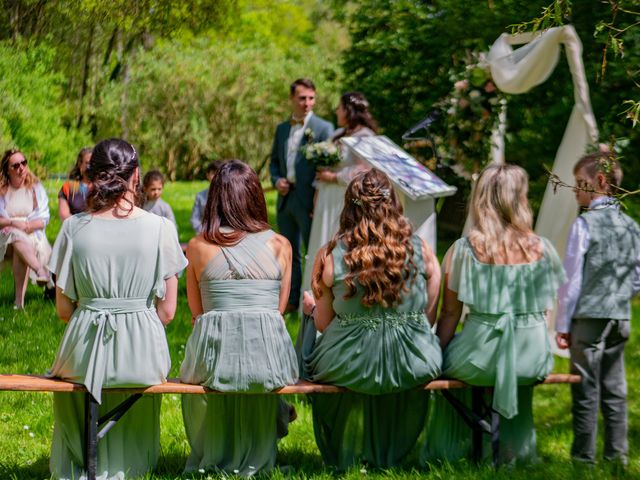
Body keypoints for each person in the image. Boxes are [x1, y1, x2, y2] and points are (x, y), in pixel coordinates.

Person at [47, 138, 187, 479]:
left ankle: (83, 463)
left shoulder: (73, 228)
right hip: (143, 352)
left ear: (91, 176)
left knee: (74, 380)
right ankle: (128, 467)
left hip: (84, 345)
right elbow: (167, 312)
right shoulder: (161, 228)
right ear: (136, 176)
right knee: (133, 381)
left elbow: (64, 310)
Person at [422, 163, 565, 464]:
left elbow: (449, 315)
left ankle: (461, 448)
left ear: (481, 199)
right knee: (502, 363)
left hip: (480, 356)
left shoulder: (463, 250)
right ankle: (509, 450)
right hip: (533, 356)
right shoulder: (545, 249)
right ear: (521, 199)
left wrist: (436, 354)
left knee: (457, 360)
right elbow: (549, 310)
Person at [301, 169, 442, 469]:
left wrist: (311, 310)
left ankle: (346, 448)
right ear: (393, 203)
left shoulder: (331, 254)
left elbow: (324, 324)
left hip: (349, 362)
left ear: (349, 207)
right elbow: (430, 308)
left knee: (312, 338)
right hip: (414, 359)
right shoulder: (421, 249)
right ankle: (388, 449)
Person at [180, 160, 298, 476]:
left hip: (215, 359)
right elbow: (278, 311)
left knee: (222, 353)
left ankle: (219, 449)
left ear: (215, 198)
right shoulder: (281, 245)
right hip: (269, 359)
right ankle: (262, 443)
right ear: (255, 196)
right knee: (258, 346)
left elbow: (197, 313)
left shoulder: (197, 246)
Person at [555, 151, 640, 466]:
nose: (576, 190)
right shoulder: (631, 225)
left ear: (600, 182)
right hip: (620, 315)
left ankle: (583, 459)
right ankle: (617, 458)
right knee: (615, 389)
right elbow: (637, 276)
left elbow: (572, 280)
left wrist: (563, 324)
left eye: (580, 183)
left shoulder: (585, 224)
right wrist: (617, 297)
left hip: (588, 317)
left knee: (585, 389)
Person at [301, 91, 378, 297]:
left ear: (349, 110)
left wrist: (334, 177)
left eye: (340, 107)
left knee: (340, 239)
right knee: (321, 240)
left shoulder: (365, 137)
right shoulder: (338, 134)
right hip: (327, 197)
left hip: (345, 198)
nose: (336, 110)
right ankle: (314, 295)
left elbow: (365, 169)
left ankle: (341, 293)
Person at [269, 78, 334, 312]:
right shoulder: (282, 128)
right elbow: (275, 162)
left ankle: (316, 300)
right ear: (292, 99)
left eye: (311, 98)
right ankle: (292, 300)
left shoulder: (324, 128)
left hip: (310, 199)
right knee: (288, 252)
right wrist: (277, 181)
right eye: (302, 98)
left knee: (314, 250)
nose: (307, 103)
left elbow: (328, 166)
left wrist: (319, 197)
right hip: (286, 198)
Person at [0, 149, 51, 309]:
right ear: (7, 170)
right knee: (15, 235)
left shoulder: (35, 189)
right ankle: (40, 271)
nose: (21, 168)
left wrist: (27, 226)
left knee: (19, 243)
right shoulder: (2, 190)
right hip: (5, 234)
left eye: (23, 163)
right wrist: (13, 223)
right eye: (15, 165)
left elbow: (43, 219)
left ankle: (18, 304)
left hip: (30, 235)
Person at [58, 147, 92, 220]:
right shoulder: (68, 187)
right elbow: (64, 215)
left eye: (93, 163)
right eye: (87, 163)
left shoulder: (103, 187)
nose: (90, 167)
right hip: (74, 229)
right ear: (80, 164)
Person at [190, 160, 223, 233]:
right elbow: (194, 219)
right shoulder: (200, 196)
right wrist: (203, 232)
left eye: (219, 174)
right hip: (204, 233)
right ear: (207, 175)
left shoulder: (228, 196)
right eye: (213, 173)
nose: (216, 177)